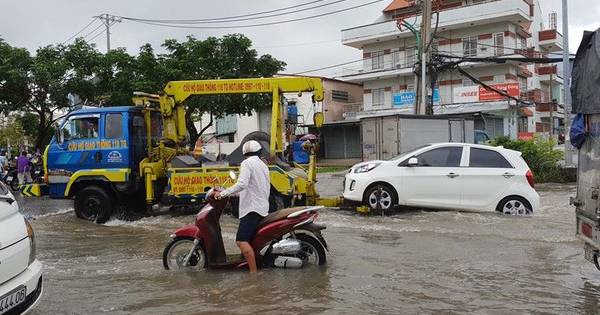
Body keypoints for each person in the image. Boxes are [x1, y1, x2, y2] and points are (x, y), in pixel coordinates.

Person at [214, 140, 270, 273]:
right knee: (249, 240)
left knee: (241, 241)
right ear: (259, 151)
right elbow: (254, 187)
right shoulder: (262, 165)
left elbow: (242, 183)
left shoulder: (246, 163)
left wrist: (223, 193)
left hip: (252, 209)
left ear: (245, 153)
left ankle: (254, 275)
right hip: (261, 207)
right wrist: (233, 194)